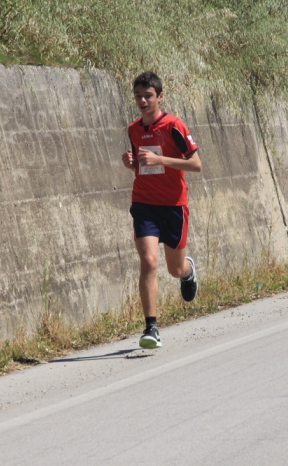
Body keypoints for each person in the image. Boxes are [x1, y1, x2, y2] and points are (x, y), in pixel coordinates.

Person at [121, 71, 202, 349]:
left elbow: (196, 164)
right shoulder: (133, 129)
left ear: (160, 96)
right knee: (149, 262)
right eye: (138, 96)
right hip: (144, 204)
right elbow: (142, 166)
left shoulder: (174, 126)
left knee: (173, 269)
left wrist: (160, 159)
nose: (143, 101)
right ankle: (151, 328)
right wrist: (131, 163)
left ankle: (188, 271)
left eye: (148, 96)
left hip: (173, 206)